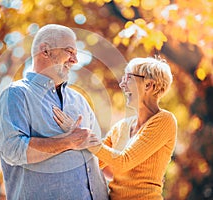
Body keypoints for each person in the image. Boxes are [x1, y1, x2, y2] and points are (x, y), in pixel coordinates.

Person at [0, 24, 108, 200]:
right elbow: (13, 150)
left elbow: (100, 158)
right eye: (69, 51)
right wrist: (67, 141)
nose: (75, 60)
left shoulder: (80, 101)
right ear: (45, 51)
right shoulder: (16, 94)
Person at [53, 57, 177, 200]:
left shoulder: (164, 121)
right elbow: (97, 162)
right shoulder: (121, 127)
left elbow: (124, 161)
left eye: (128, 78)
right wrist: (70, 138)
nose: (122, 84)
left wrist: (84, 137)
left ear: (148, 85)